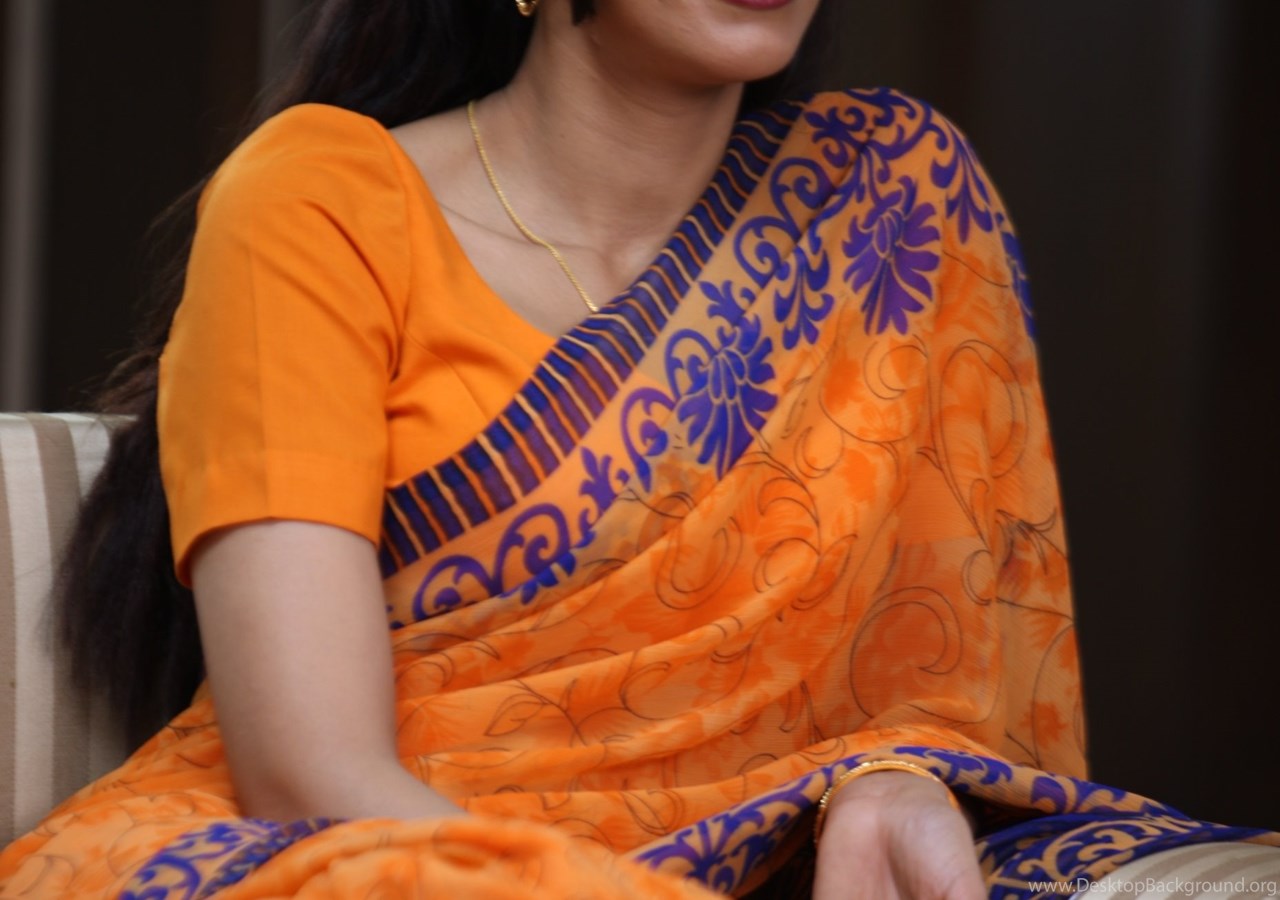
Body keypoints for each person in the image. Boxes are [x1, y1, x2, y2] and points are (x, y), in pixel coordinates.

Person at [1, 1, 1276, 897]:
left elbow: (941, 683)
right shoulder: (317, 202)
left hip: (774, 859)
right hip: (371, 854)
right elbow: (310, 772)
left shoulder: (894, 205)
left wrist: (896, 778)